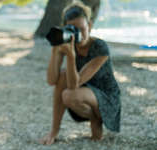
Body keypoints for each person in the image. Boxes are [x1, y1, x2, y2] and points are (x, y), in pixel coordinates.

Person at [40, 1, 121, 145]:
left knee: (69, 94)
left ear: (89, 26)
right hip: (83, 90)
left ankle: (97, 119)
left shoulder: (100, 47)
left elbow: (74, 85)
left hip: (105, 96)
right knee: (63, 76)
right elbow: (52, 80)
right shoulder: (68, 43)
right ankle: (54, 131)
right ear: (66, 29)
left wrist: (71, 57)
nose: (77, 34)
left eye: (82, 29)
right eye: (72, 29)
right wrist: (55, 50)